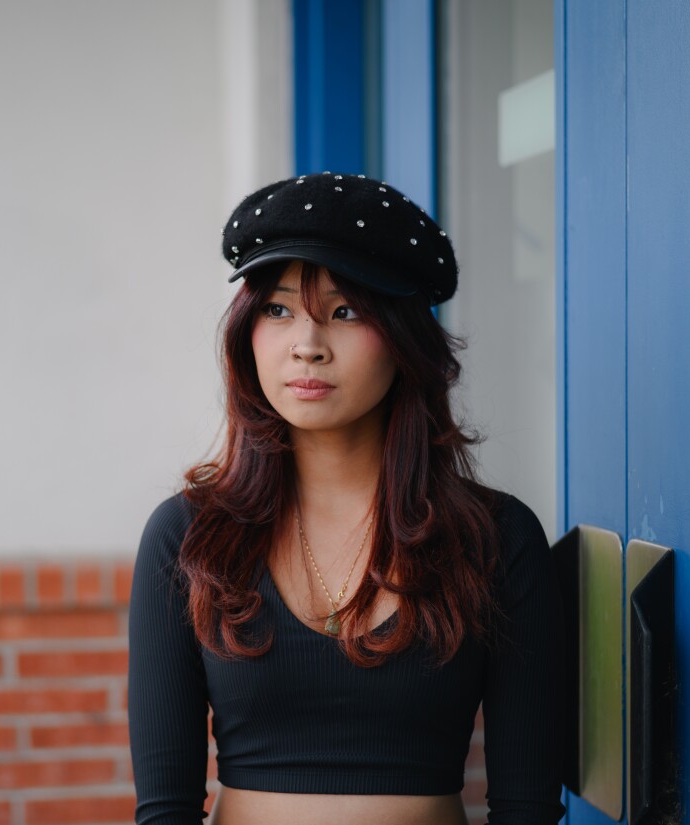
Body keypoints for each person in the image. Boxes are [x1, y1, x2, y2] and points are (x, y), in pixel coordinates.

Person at [128, 172, 565, 825]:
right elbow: (164, 811)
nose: (306, 344)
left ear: (404, 338)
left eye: (344, 311)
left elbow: (526, 809)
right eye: (277, 309)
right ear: (247, 334)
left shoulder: (496, 538)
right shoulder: (189, 535)